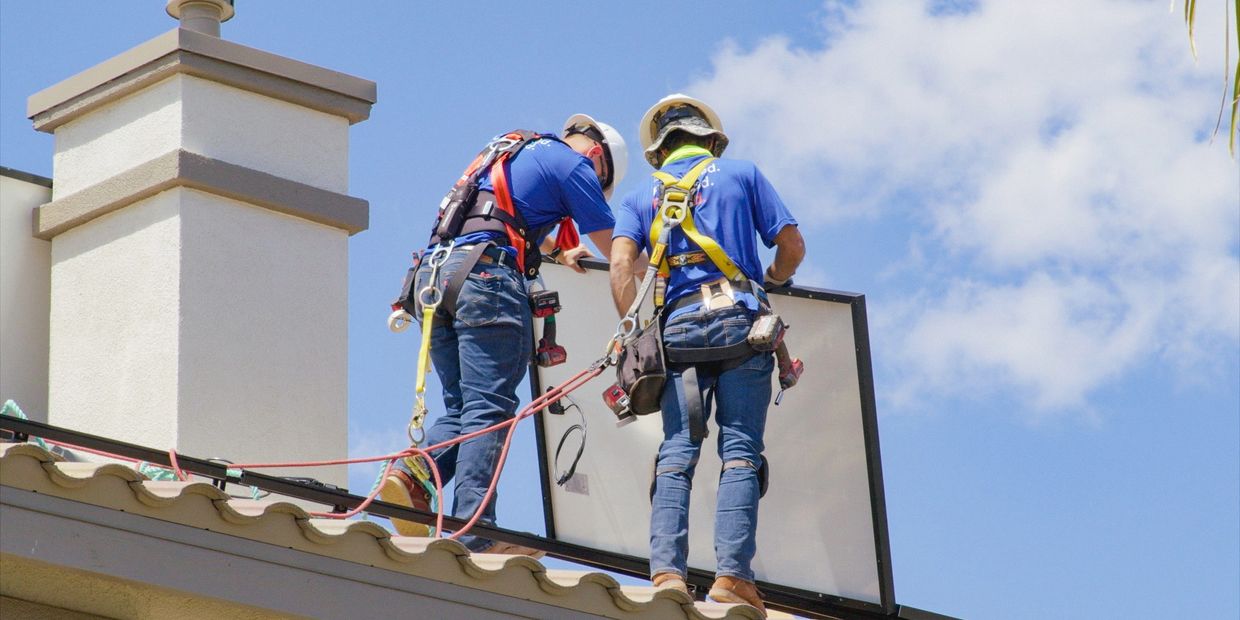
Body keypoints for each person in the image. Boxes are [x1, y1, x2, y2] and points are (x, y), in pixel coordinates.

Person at [382, 115, 628, 556]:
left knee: (462, 407)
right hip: (486, 279)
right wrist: (656, 286)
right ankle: (476, 532)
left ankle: (410, 474)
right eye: (600, 176)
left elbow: (492, 214)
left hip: (434, 278)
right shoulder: (574, 165)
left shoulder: (511, 151)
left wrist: (557, 249)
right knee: (489, 408)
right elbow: (617, 249)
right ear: (596, 155)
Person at [608, 94, 805, 615]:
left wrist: (638, 334)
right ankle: (731, 579)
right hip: (742, 327)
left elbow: (621, 266)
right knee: (739, 450)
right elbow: (791, 249)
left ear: (660, 148)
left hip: (679, 334)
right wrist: (773, 281)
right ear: (710, 139)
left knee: (676, 452)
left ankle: (667, 573)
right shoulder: (741, 174)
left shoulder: (637, 199)